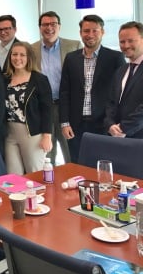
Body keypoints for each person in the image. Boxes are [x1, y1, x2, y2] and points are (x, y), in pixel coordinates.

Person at [59, 14, 125, 163]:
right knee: (78, 164)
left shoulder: (115, 58)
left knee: (103, 165)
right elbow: (65, 92)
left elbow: (120, 94)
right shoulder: (71, 58)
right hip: (76, 125)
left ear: (103, 32)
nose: (90, 35)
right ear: (80, 33)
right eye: (86, 31)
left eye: (95, 31)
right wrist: (64, 122)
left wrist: (114, 122)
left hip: (104, 124)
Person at [31, 11, 81, 165]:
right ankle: (49, 183)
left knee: (69, 149)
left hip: (66, 107)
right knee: (46, 151)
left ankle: (74, 179)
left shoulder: (74, 46)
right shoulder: (31, 49)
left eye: (53, 24)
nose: (49, 28)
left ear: (59, 26)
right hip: (42, 107)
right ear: (40, 27)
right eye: (45, 24)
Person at [4, 42, 53, 174]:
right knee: (13, 177)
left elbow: (47, 109)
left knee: (35, 174)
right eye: (14, 54)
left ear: (29, 57)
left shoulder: (39, 79)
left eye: (22, 55)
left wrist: (47, 136)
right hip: (9, 134)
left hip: (32, 134)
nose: (17, 58)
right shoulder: (4, 79)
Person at [105, 21, 143, 138]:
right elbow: (111, 102)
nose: (126, 45)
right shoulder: (121, 70)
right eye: (122, 41)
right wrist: (110, 125)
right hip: (118, 138)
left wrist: (123, 129)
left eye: (131, 41)